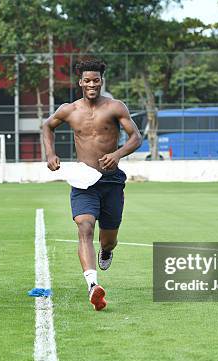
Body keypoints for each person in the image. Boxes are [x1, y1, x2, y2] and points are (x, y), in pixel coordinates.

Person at [42, 59, 142, 311]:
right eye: (87, 80)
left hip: (111, 181)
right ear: (80, 82)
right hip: (84, 180)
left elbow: (136, 137)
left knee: (108, 239)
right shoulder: (69, 110)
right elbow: (47, 126)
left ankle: (106, 251)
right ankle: (92, 285)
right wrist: (50, 153)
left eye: (95, 80)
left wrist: (117, 155)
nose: (91, 84)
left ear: (101, 81)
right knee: (84, 227)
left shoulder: (115, 107)